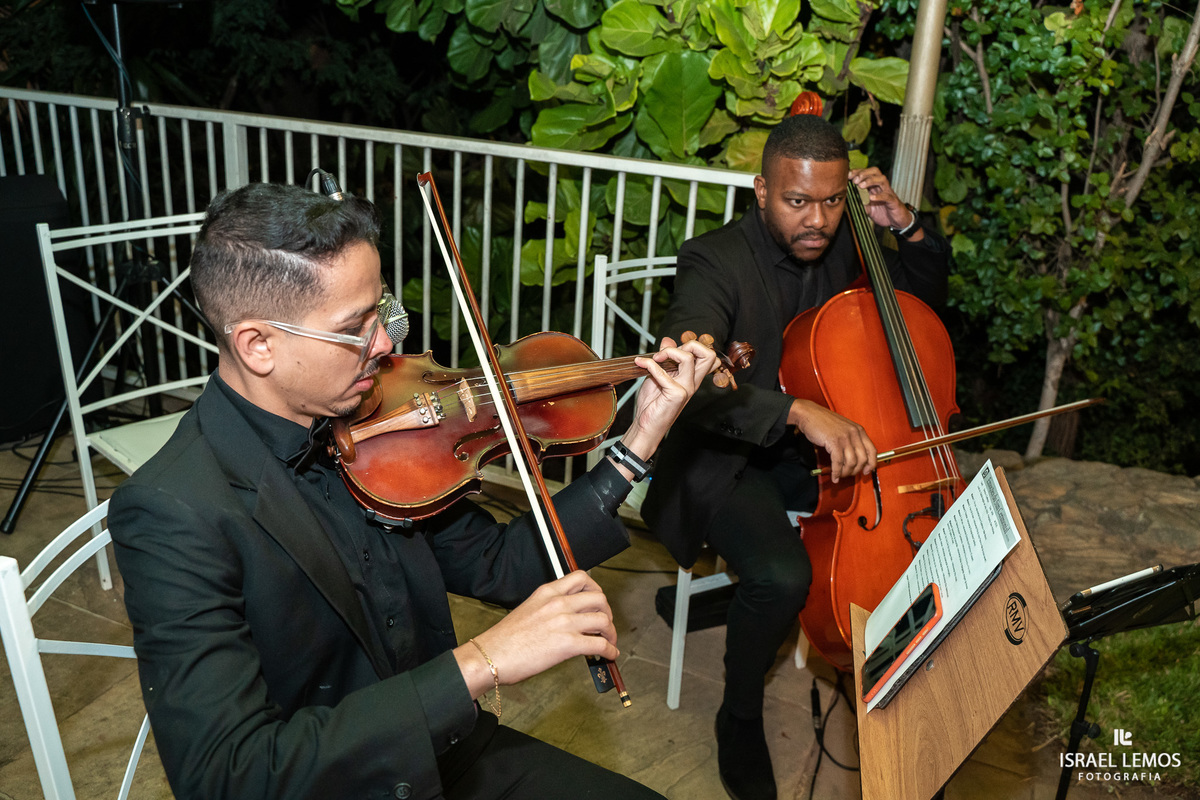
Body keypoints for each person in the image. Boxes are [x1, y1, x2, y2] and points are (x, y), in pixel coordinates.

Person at [108, 181, 721, 800]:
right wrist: (482, 661)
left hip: (444, 754)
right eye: (355, 328)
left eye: (382, 311)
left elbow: (500, 564)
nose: (386, 344)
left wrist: (635, 445)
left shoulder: (378, 428)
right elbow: (229, 777)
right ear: (258, 345)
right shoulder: (172, 512)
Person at [640, 114, 950, 800]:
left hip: (805, 458)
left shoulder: (848, 242)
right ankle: (739, 712)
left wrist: (906, 227)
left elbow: (926, 303)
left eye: (833, 200)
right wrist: (796, 411)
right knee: (782, 577)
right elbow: (685, 381)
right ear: (760, 190)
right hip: (726, 454)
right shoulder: (713, 260)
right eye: (797, 201)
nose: (817, 219)